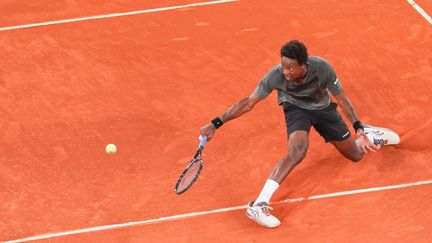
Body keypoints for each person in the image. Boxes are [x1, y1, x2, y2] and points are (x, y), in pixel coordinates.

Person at [199, 40, 399, 228]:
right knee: (297, 152)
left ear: (304, 65)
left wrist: (359, 129)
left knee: (355, 155)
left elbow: (342, 98)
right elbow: (248, 102)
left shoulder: (322, 68)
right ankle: (258, 204)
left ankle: (371, 136)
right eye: (283, 66)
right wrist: (216, 123)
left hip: (324, 109)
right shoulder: (276, 75)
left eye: (291, 68)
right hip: (296, 109)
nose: (285, 71)